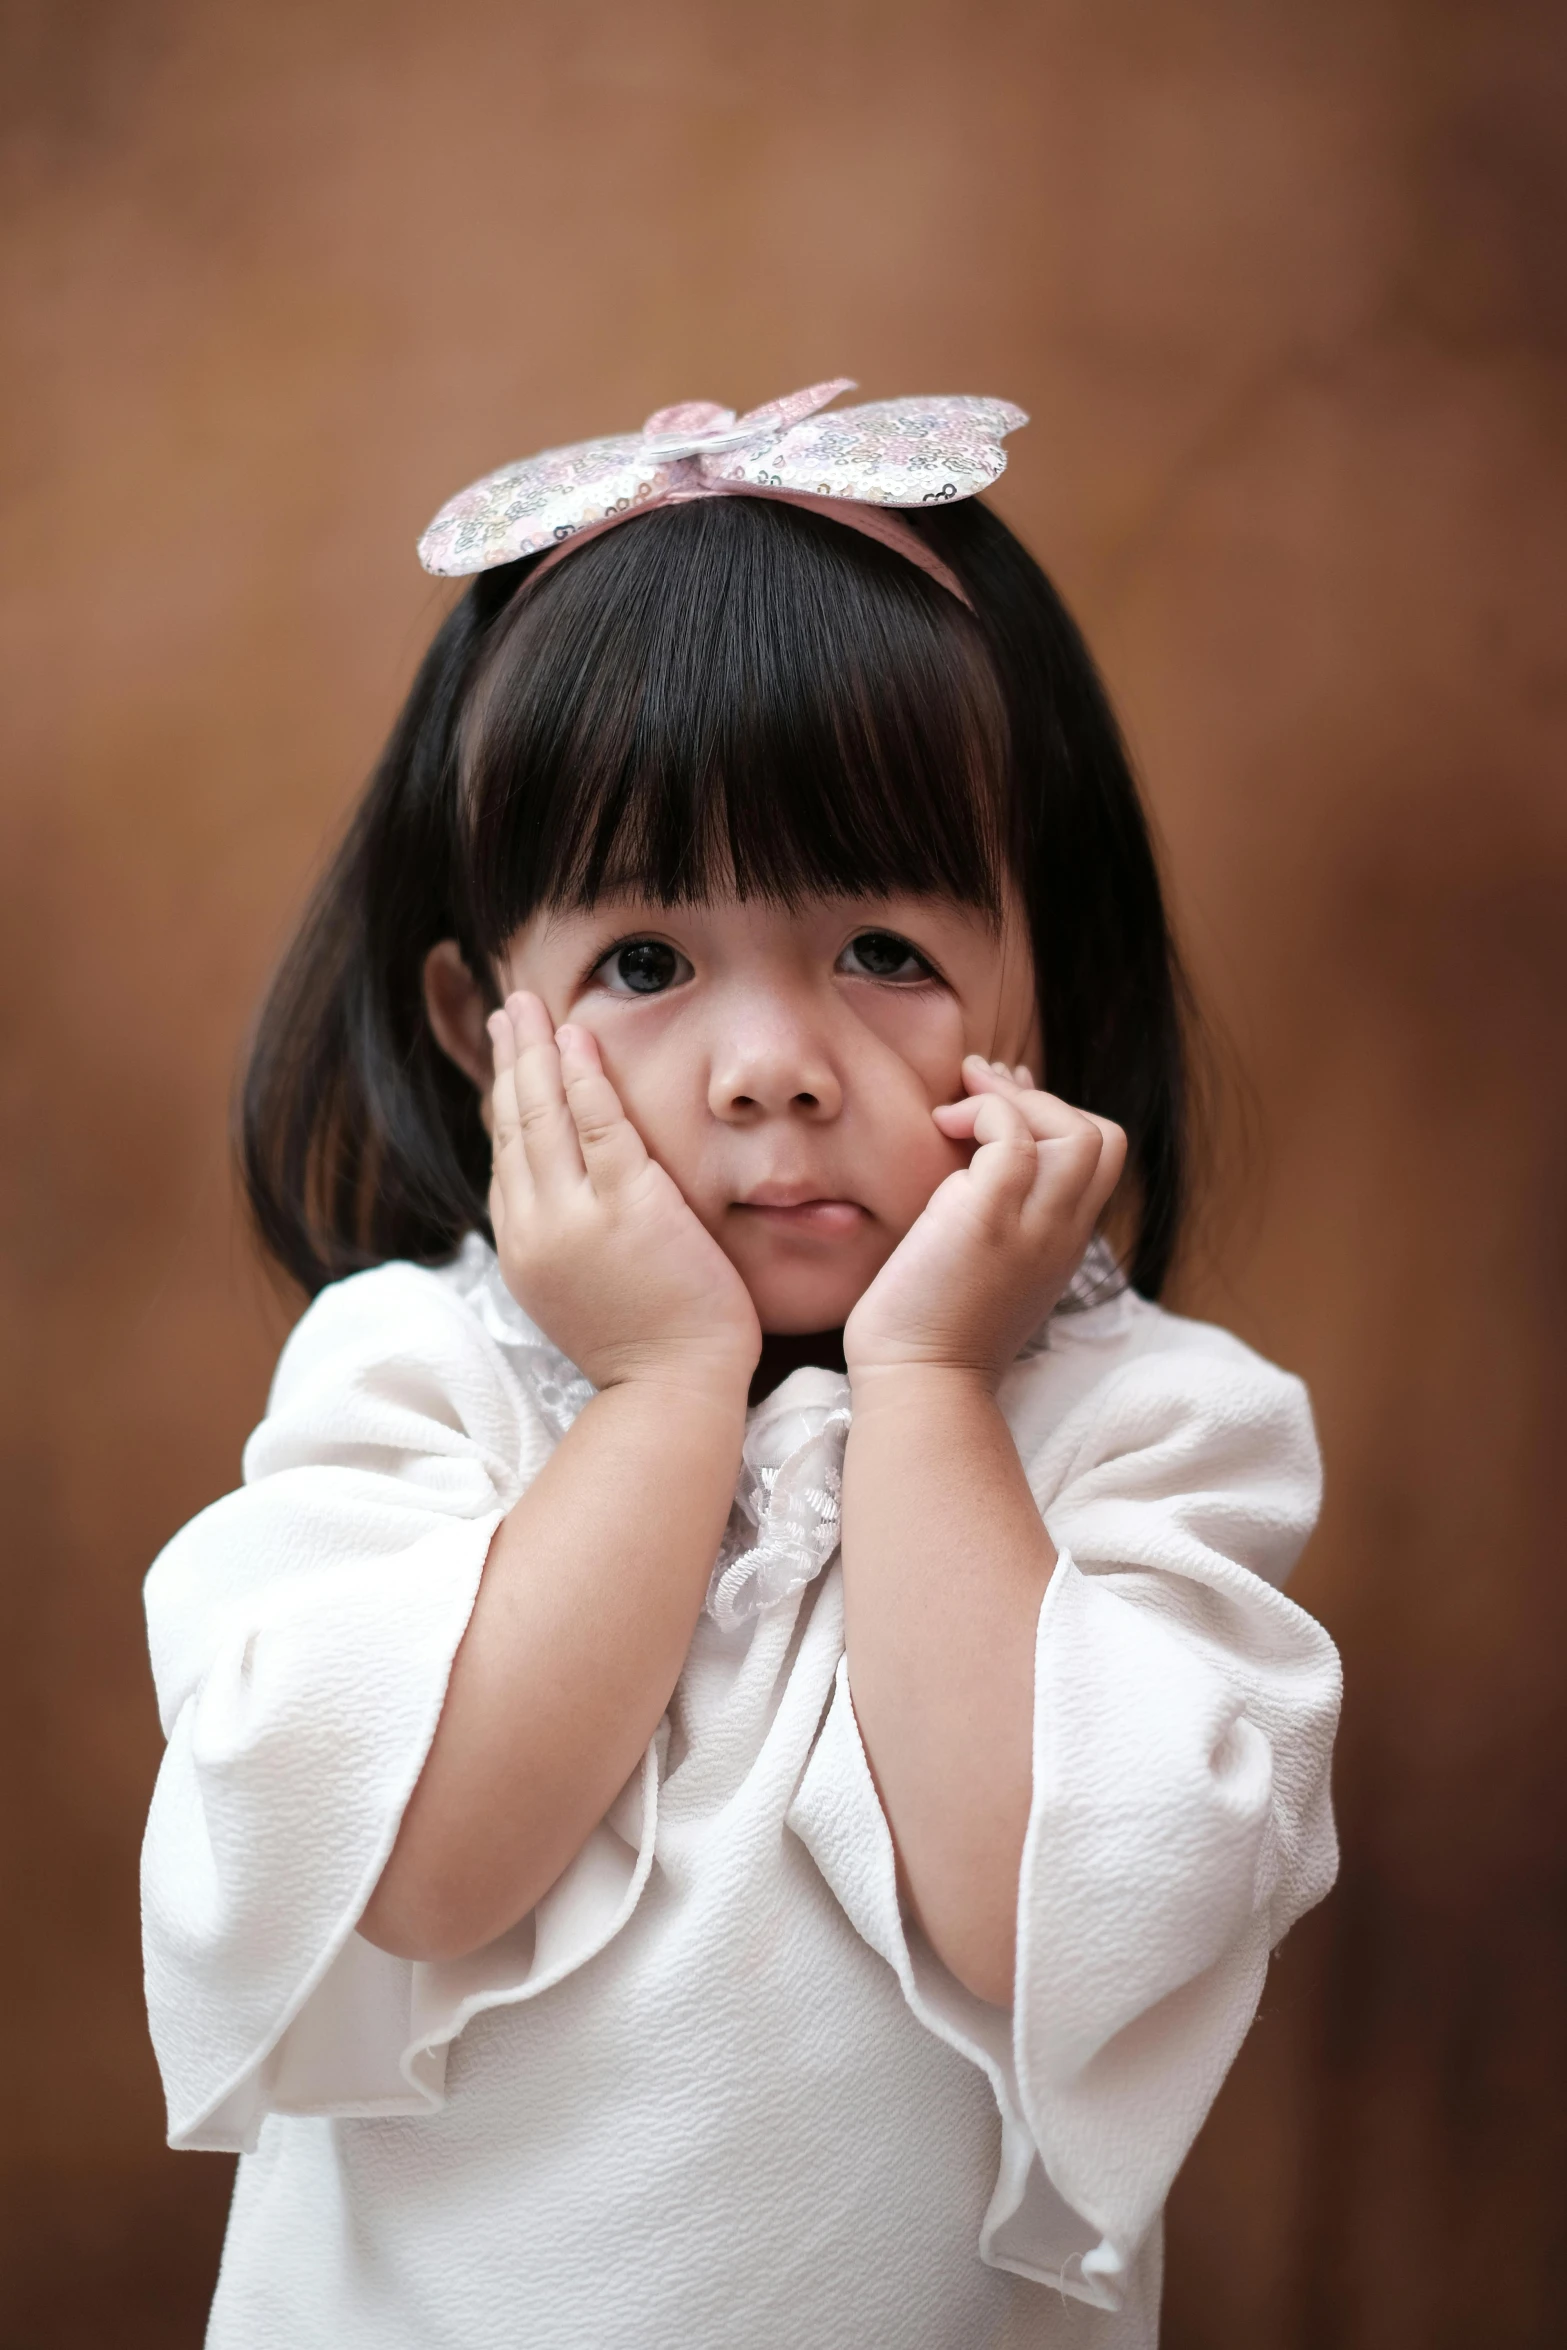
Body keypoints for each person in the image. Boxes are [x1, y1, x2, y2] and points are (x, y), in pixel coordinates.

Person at [140, 381, 1342, 2348]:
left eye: (882, 942)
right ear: (478, 1016)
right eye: (642, 961)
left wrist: (939, 1388)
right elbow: (425, 1871)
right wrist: (662, 1385)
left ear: (1054, 980)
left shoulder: (1147, 1427)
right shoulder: (416, 1384)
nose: (772, 1058)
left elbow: (1041, 1906)